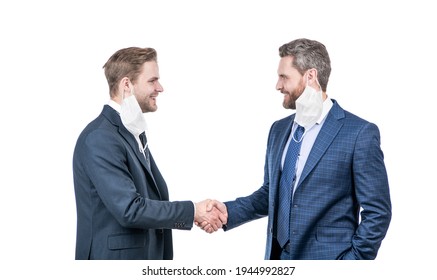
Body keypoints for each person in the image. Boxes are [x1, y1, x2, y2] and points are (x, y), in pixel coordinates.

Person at [200, 38, 392, 260]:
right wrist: (226, 212)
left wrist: (351, 263)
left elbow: (378, 212)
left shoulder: (358, 133)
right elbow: (271, 194)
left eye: (284, 77)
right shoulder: (279, 130)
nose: (278, 85)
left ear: (310, 76)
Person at [73, 47, 227, 260]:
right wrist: (193, 212)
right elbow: (129, 209)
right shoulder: (101, 138)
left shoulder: (133, 132)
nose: (160, 88)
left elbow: (152, 198)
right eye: (152, 80)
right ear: (127, 84)